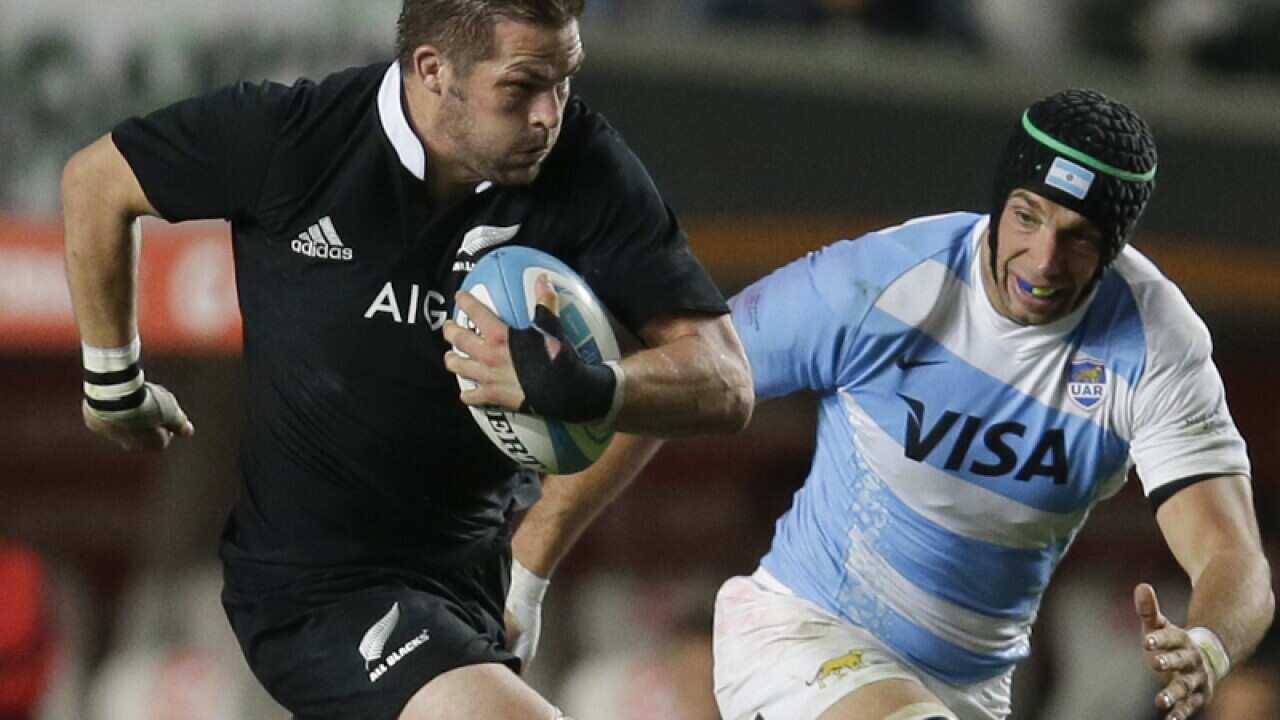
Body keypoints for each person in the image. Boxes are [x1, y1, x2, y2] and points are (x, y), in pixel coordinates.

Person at [60, 1, 753, 718]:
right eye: (520, 88)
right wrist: (113, 379)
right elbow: (96, 183)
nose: (549, 114)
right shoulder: (297, 138)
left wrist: (586, 395)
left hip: (469, 587)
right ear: (432, 70)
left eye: (565, 81)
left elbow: (723, 380)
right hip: (314, 590)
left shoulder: (586, 167)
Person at [710, 89, 1274, 720]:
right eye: (1027, 218)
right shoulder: (884, 281)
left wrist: (1209, 646)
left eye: (1079, 238)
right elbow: (690, 368)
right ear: (999, 204)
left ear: (1114, 247)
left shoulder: (1154, 344)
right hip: (805, 631)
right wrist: (602, 410)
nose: (1044, 262)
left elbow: (1234, 557)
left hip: (968, 692)